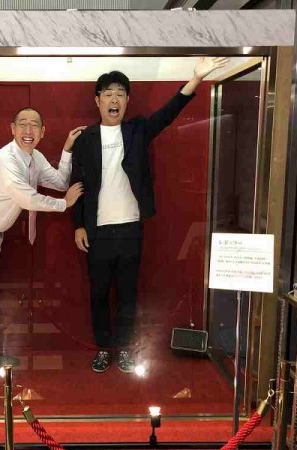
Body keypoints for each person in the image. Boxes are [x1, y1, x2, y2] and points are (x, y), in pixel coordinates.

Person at [70, 57, 228, 373]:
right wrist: (78, 225)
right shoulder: (85, 139)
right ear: (97, 100)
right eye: (108, 93)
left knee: (128, 295)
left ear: (127, 100)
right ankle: (104, 349)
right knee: (98, 294)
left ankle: (124, 350)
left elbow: (169, 113)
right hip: (97, 231)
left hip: (130, 228)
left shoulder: (138, 130)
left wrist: (196, 78)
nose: (114, 99)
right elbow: (77, 183)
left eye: (120, 94)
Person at [0, 107, 85, 377]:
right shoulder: (4, 159)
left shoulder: (35, 158)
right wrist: (64, 204)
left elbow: (60, 181)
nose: (28, 130)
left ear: (42, 132)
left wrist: (67, 149)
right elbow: (26, 198)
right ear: (12, 129)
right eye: (22, 124)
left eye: (34, 125)